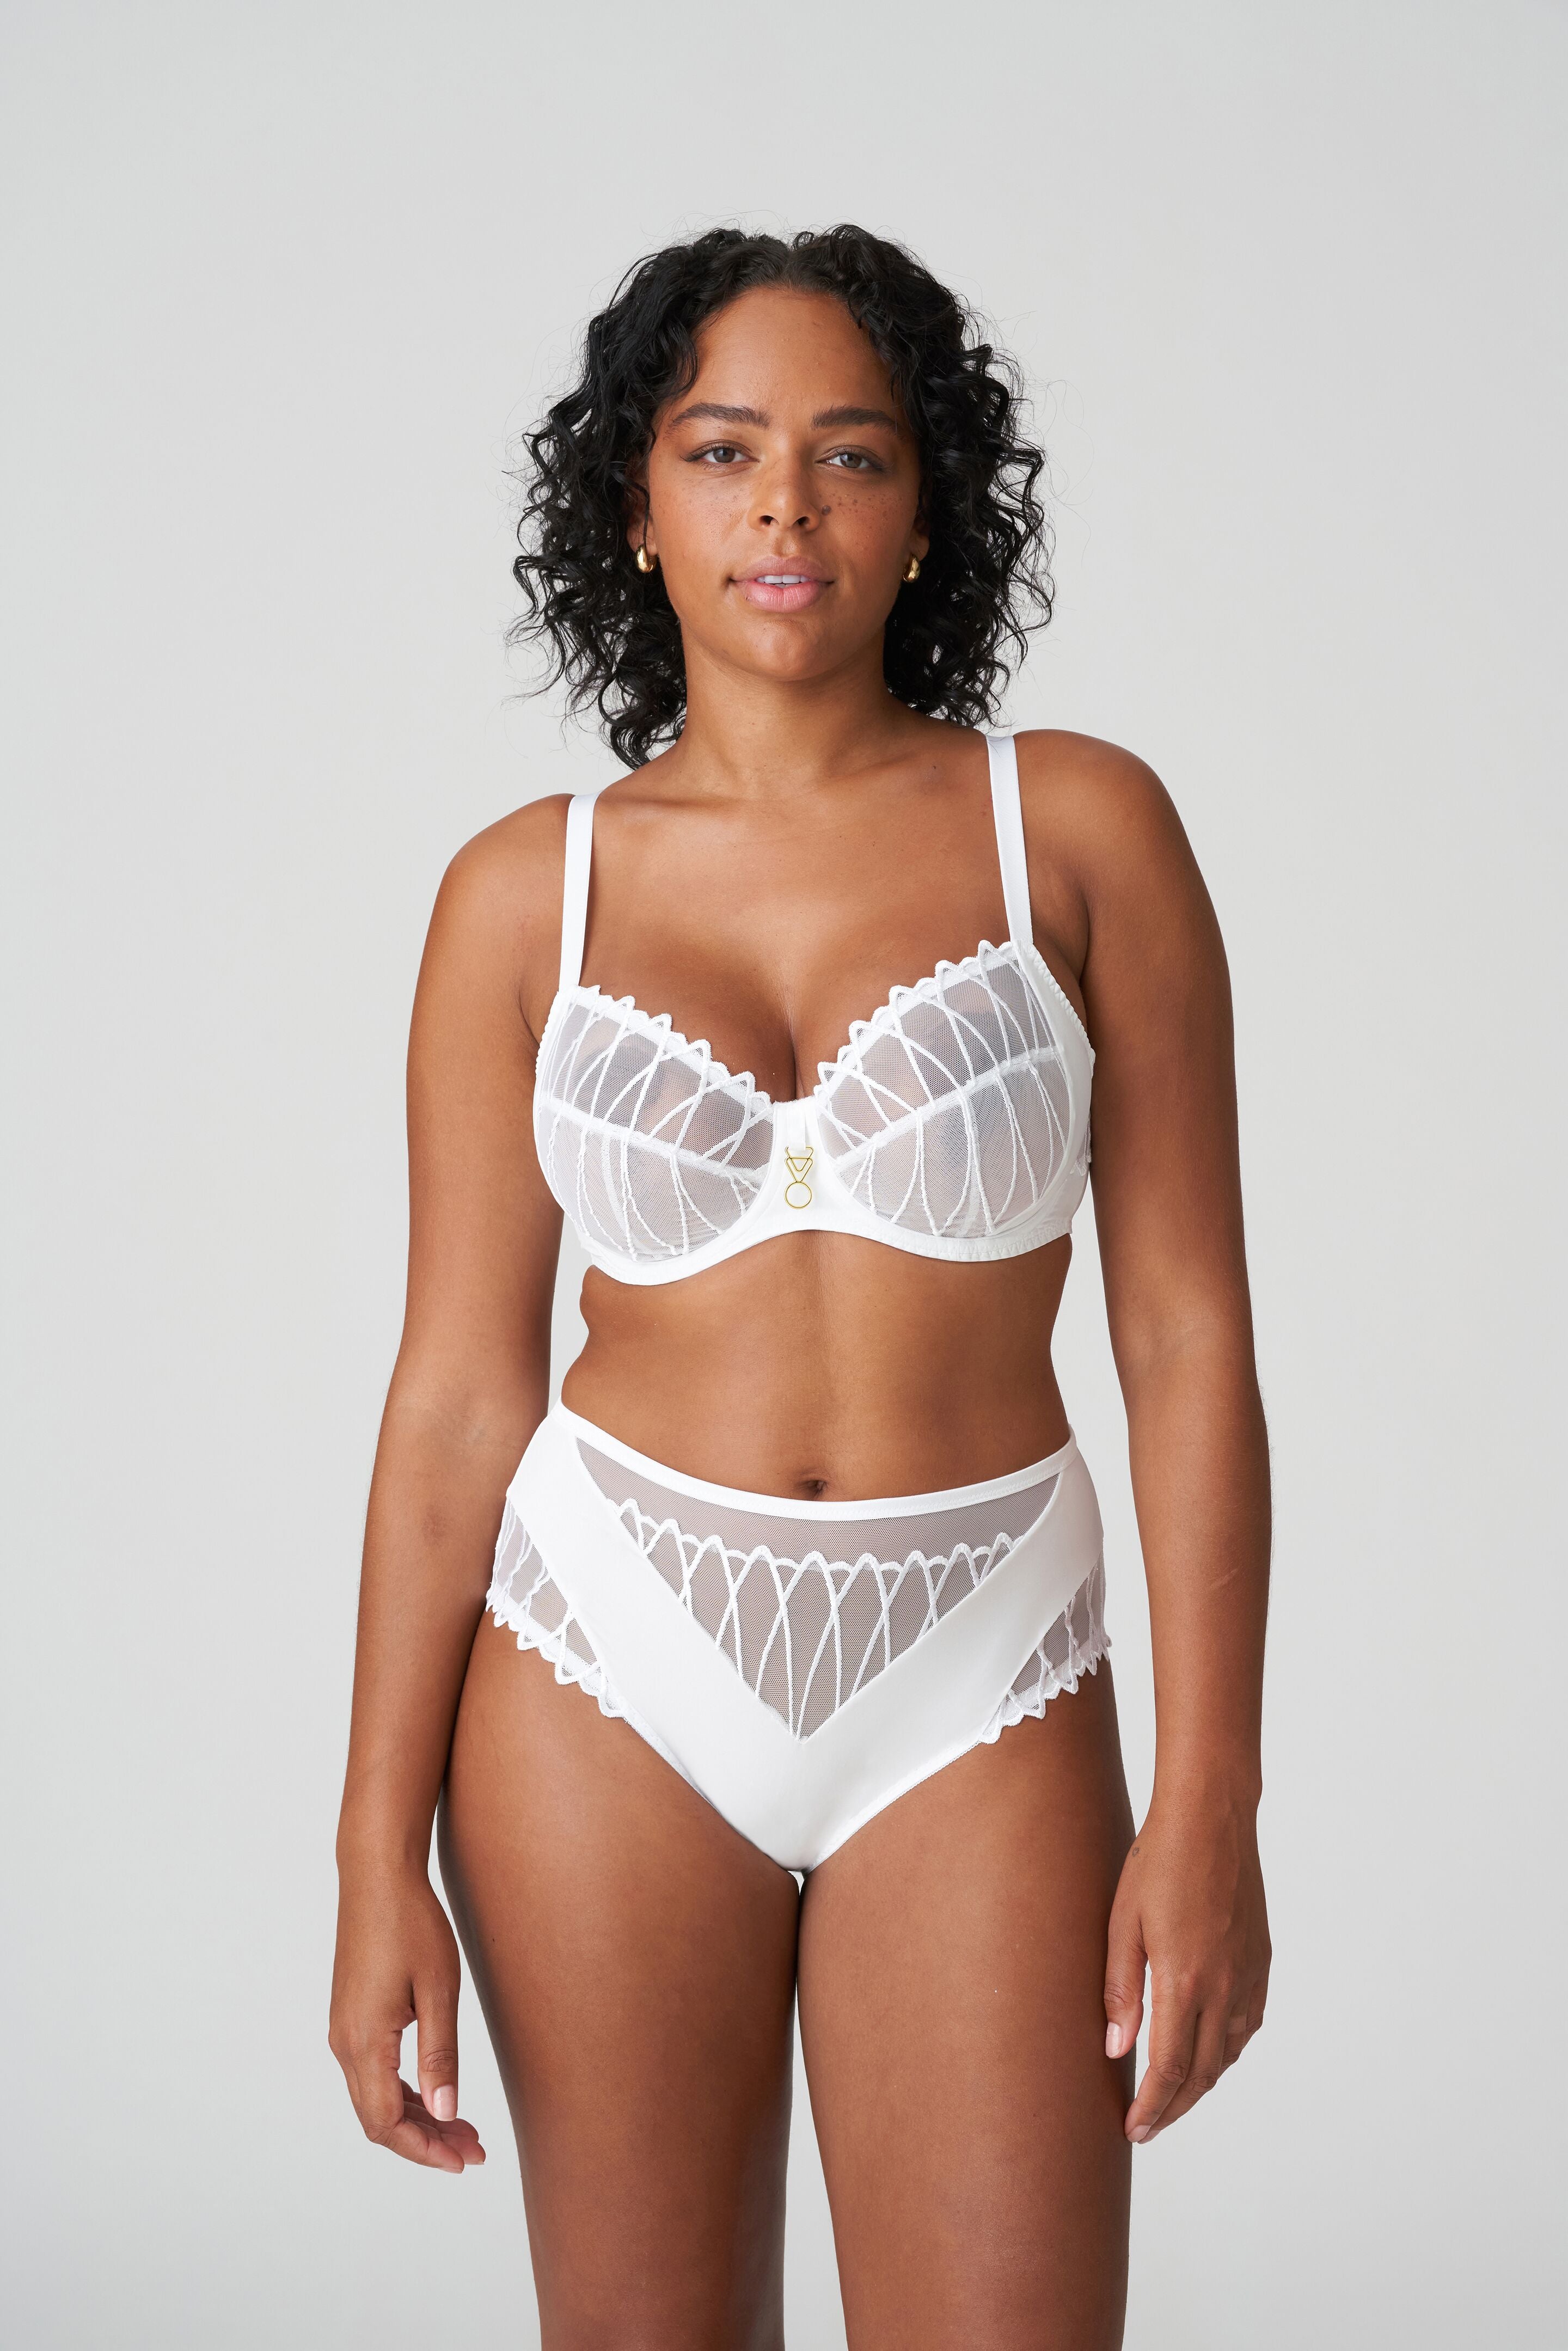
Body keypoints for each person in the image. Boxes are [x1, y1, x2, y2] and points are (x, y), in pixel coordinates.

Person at [329, 223, 1271, 2350]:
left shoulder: (1080, 832)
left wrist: (1212, 1795)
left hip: (984, 1660)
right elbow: (458, 1396)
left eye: (851, 453)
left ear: (927, 508)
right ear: (635, 508)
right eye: (723, 450)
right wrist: (370, 1851)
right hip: (600, 1663)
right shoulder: (523, 895)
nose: (784, 505)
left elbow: (1187, 1338)